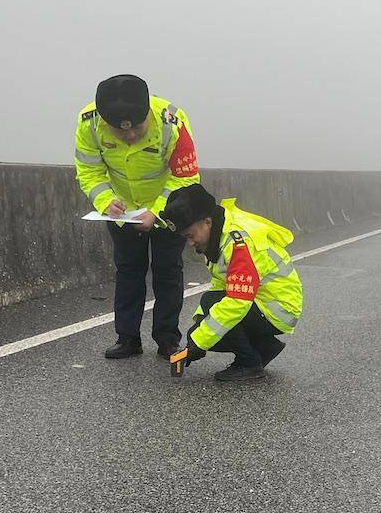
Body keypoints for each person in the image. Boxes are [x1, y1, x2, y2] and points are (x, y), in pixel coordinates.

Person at [73, 75, 201, 359]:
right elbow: (89, 171)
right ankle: (127, 338)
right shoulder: (88, 123)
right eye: (120, 131)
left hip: (169, 207)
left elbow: (187, 177)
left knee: (168, 272)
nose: (130, 136)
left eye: (137, 128)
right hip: (123, 211)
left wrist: (156, 211)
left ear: (147, 114)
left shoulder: (172, 123)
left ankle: (167, 339)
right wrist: (105, 201)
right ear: (105, 122)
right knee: (128, 271)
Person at [161, 185, 303, 383]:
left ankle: (250, 363)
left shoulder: (238, 244)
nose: (190, 244)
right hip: (264, 303)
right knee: (206, 322)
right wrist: (199, 325)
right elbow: (221, 286)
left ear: (207, 222)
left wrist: (199, 342)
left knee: (213, 317)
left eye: (190, 236)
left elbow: (237, 301)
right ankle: (265, 347)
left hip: (277, 308)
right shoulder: (218, 235)